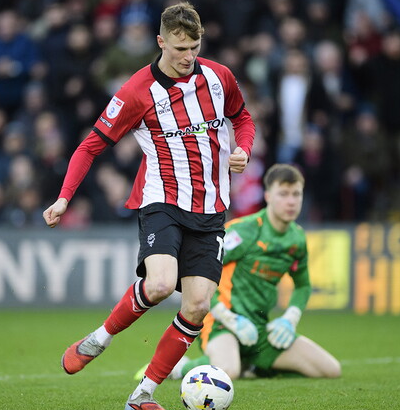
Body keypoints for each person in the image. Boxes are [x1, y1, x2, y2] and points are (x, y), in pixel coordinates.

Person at [43, 1, 256, 410]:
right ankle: (98, 339)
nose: (188, 57)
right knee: (159, 285)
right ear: (160, 41)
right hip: (163, 200)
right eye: (179, 49)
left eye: (194, 47)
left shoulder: (219, 77)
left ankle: (143, 394)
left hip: (212, 209)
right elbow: (91, 145)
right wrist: (64, 197)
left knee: (197, 306)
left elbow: (242, 118)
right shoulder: (137, 91)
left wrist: (243, 149)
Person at [138, 164, 341, 383]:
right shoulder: (243, 231)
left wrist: (290, 319)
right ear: (268, 196)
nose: (291, 201)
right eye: (283, 194)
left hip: (259, 329)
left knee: (330, 369)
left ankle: (253, 363)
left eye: (296, 194)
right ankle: (181, 366)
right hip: (221, 322)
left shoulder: (297, 239)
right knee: (228, 371)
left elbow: (302, 285)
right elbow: (199, 271)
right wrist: (228, 317)